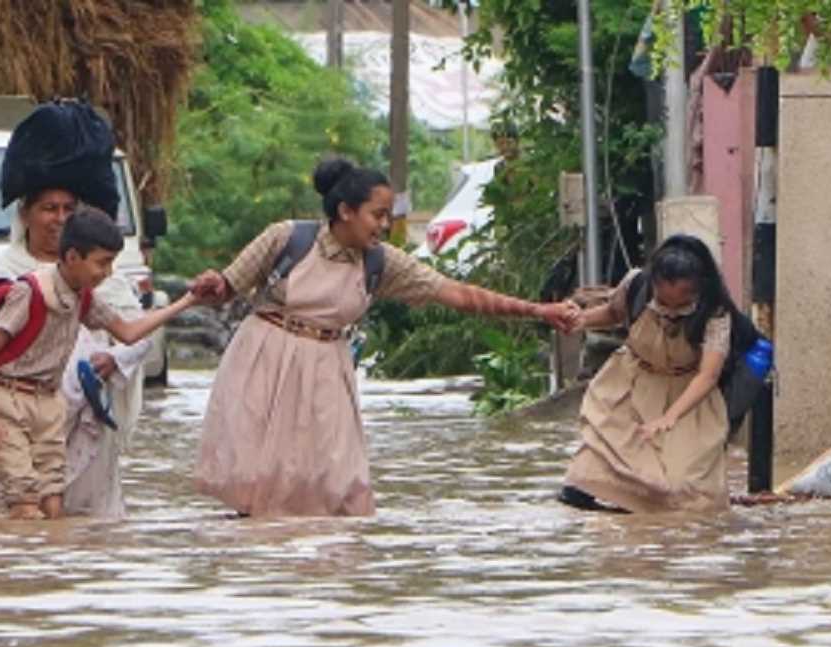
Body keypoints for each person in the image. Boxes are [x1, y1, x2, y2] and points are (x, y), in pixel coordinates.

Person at [189, 157, 578, 517]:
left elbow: (457, 294)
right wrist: (214, 283)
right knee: (258, 479)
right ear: (345, 211)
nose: (384, 225)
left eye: (388, 217)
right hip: (264, 361)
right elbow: (228, 286)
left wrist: (538, 310)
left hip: (327, 372)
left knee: (334, 485)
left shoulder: (382, 263)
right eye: (377, 215)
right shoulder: (285, 239)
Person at [0, 207, 201, 520]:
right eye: (102, 262)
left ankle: (53, 564)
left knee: (53, 498)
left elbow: (128, 332)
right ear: (71, 258)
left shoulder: (84, 298)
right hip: (9, 402)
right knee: (24, 501)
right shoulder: (29, 292)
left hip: (48, 404)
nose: (107, 273)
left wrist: (187, 302)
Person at [561, 234, 734, 514]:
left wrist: (669, 417)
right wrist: (581, 320)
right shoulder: (636, 285)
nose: (670, 310)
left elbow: (707, 375)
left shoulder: (715, 312)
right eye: (663, 300)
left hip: (687, 395)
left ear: (697, 289)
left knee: (686, 491)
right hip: (630, 382)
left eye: (680, 304)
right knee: (593, 471)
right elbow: (612, 312)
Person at [59, 272, 153, 517]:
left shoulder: (109, 283)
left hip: (90, 408)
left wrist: (115, 358)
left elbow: (139, 335)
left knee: (89, 509)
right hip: (28, 410)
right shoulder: (4, 273)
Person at [0, 188, 76, 309]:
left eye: (68, 209)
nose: (61, 218)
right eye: (50, 208)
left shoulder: (87, 271)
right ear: (24, 214)